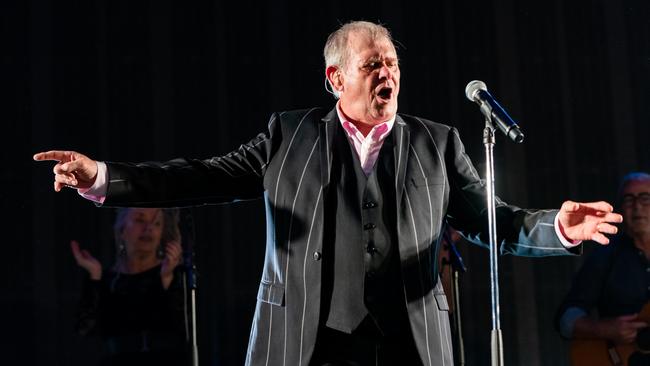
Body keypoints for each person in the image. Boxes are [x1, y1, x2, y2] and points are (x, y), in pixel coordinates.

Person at [34, 21, 622, 366]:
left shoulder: (435, 143)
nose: (387, 73)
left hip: (410, 343)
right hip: (306, 341)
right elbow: (200, 175)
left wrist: (561, 228)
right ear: (337, 78)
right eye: (373, 65)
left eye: (392, 63)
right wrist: (103, 176)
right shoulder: (288, 137)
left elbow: (492, 221)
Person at [71, 207, 187, 366]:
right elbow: (85, 330)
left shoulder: (175, 273)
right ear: (122, 229)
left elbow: (185, 328)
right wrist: (95, 276)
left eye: (157, 223)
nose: (149, 228)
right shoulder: (107, 279)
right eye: (140, 220)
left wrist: (167, 278)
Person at [556, 172, 650, 365]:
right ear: (621, 208)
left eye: (645, 198)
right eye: (629, 199)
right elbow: (565, 318)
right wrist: (603, 329)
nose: (637, 207)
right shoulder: (606, 256)